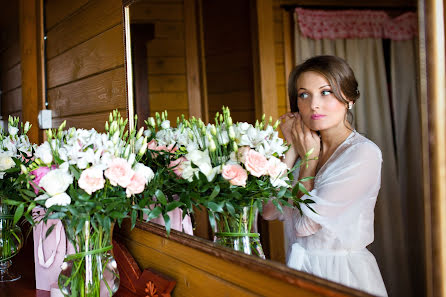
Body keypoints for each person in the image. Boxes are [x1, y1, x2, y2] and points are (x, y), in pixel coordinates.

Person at [263, 55, 387, 297]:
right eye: (304, 95)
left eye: (326, 92)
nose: (314, 105)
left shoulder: (362, 154)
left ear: (349, 99)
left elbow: (304, 225)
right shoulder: (304, 148)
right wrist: (290, 149)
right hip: (299, 272)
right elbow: (268, 210)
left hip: (342, 276)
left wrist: (308, 162)